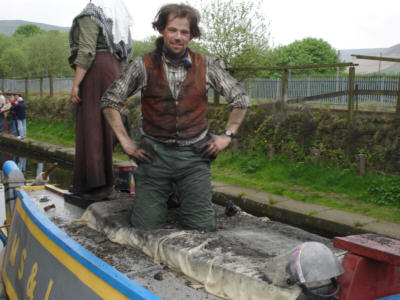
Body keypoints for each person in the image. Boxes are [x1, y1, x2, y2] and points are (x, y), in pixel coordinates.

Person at [101, 4, 250, 231]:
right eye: (172, 30)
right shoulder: (143, 65)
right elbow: (109, 101)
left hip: (193, 158)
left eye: (184, 32)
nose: (178, 37)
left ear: (192, 35)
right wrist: (126, 142)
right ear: (162, 30)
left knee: (201, 227)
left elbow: (240, 99)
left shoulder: (206, 65)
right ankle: (163, 198)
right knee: (145, 227)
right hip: (153, 157)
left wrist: (227, 135)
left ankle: (182, 196)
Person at [68, 0, 133, 200]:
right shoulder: (118, 15)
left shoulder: (91, 13)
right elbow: (124, 53)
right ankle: (103, 185)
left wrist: (76, 84)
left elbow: (87, 52)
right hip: (113, 70)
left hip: (96, 71)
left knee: (91, 126)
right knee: (105, 127)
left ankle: (93, 186)